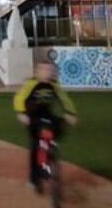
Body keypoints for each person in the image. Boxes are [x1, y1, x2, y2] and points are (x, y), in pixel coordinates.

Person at [13, 62, 77, 192]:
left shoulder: (54, 85)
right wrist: (21, 113)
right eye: (45, 69)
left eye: (50, 70)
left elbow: (65, 100)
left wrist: (70, 113)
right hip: (32, 117)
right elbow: (19, 98)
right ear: (37, 71)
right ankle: (34, 178)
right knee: (35, 145)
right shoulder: (32, 84)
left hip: (47, 115)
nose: (48, 72)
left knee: (60, 124)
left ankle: (50, 151)